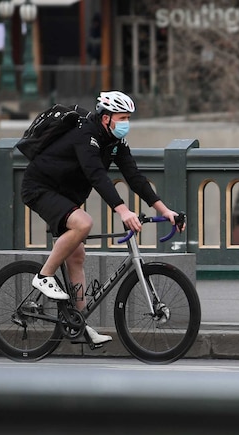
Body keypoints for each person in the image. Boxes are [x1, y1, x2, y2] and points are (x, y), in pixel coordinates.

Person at [21, 91, 179, 345]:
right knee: (83, 223)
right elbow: (96, 175)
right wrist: (122, 210)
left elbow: (134, 177)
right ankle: (43, 277)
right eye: (123, 117)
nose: (126, 122)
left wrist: (164, 210)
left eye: (129, 117)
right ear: (106, 118)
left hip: (66, 195)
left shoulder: (114, 142)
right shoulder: (86, 135)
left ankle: (79, 324)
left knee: (77, 255)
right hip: (41, 188)